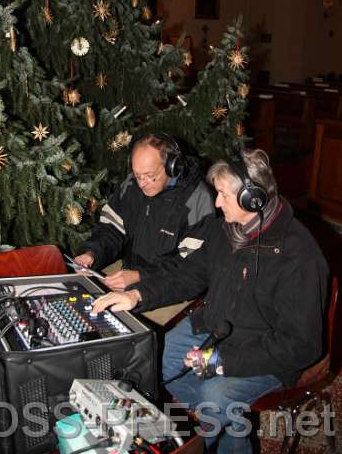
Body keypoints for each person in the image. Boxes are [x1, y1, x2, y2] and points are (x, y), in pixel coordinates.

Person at [92, 149, 329, 454]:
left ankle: (215, 436)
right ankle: (227, 431)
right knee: (152, 362)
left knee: (214, 396)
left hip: (266, 350)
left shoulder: (299, 257)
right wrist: (138, 294)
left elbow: (302, 345)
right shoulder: (227, 230)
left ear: (251, 199)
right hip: (216, 325)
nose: (216, 204)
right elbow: (188, 274)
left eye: (222, 196)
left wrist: (222, 362)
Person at [74, 133, 215, 291]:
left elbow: (190, 270)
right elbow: (112, 230)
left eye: (150, 176)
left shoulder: (197, 200)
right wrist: (92, 253)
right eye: (137, 174)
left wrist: (141, 276)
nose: (141, 184)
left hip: (168, 290)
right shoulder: (131, 185)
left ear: (172, 166)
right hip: (128, 274)